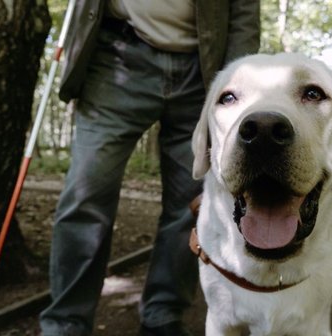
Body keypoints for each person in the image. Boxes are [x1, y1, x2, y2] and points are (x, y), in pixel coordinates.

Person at [39, 1, 260, 335]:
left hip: (202, 68)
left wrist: (234, 85)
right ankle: (65, 322)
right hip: (116, 57)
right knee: (85, 193)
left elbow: (244, 10)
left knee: (190, 203)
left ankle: (163, 313)